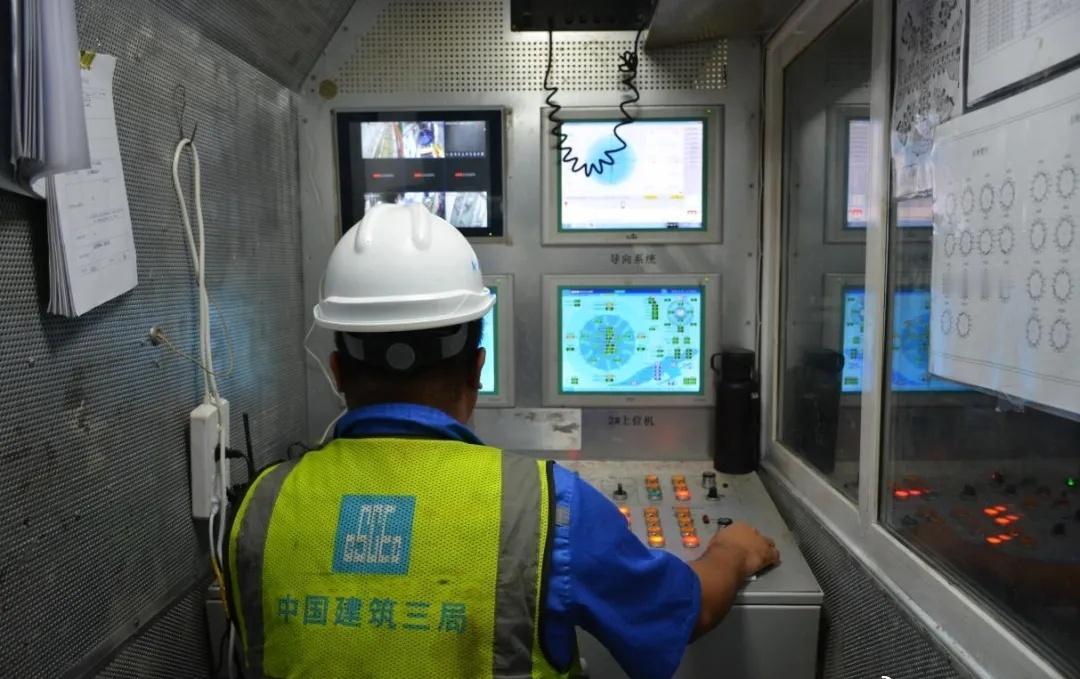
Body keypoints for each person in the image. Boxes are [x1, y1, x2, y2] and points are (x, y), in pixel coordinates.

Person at [227, 203, 780, 679]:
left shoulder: (260, 509)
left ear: (336, 372)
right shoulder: (546, 508)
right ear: (476, 368)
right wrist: (731, 552)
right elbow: (684, 611)